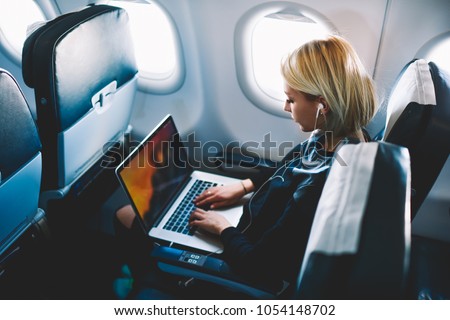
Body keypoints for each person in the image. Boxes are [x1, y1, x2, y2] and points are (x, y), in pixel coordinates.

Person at [114, 35, 376, 296]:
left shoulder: (318, 187)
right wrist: (243, 186)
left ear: (323, 106)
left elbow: (260, 265)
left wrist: (222, 228)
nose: (286, 107)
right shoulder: (335, 136)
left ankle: (148, 284)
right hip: (250, 224)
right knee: (151, 211)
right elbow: (284, 170)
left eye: (292, 100)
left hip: (243, 254)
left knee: (127, 215)